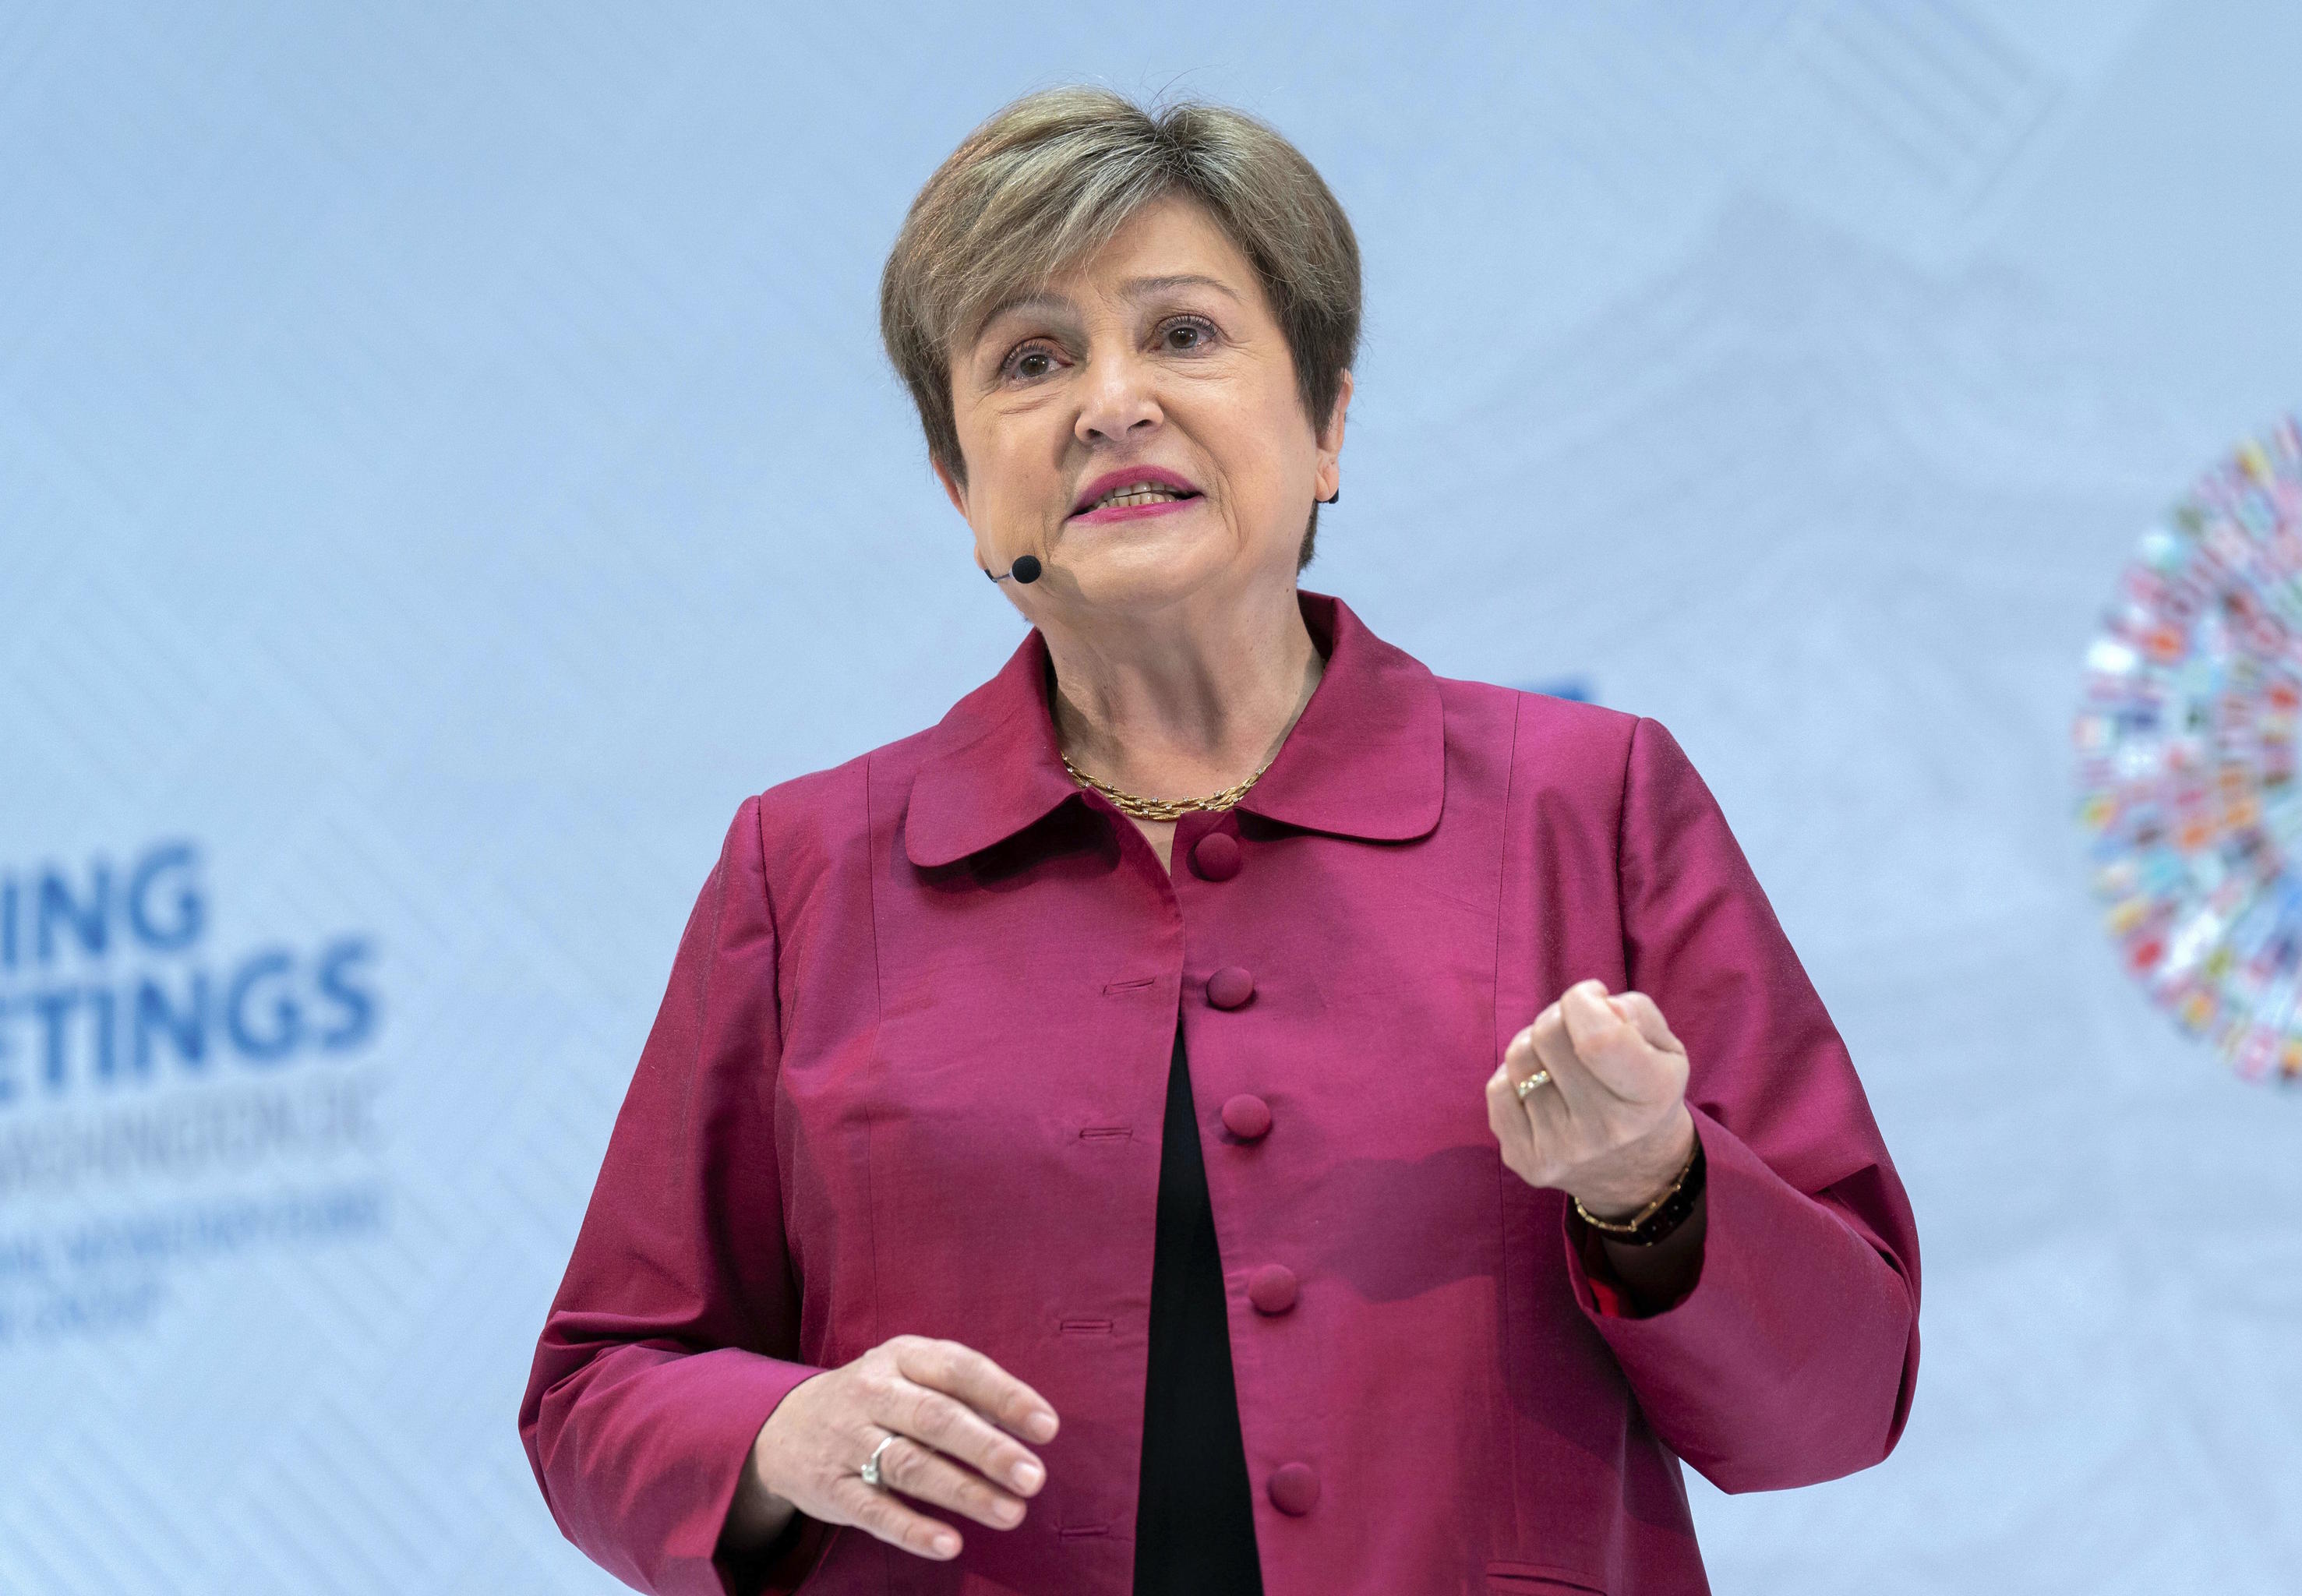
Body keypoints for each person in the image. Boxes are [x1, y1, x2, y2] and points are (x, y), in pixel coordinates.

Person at [521, 87, 1921, 1596]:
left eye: (1184, 335)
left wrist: (1653, 1182)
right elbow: (601, 1384)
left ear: (1325, 425)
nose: (1112, 402)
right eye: (1031, 360)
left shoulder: (1592, 800)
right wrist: (785, 1429)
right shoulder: (805, 870)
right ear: (961, 488)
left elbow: (1837, 1402)